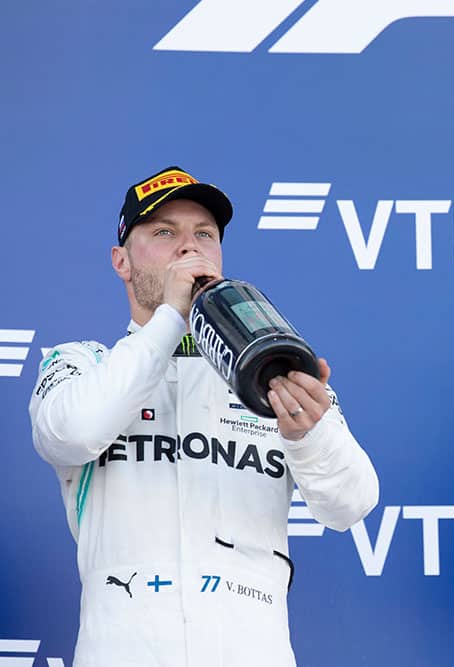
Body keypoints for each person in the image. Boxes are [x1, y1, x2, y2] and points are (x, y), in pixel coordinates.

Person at [29, 166, 379, 667]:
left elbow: (352, 505)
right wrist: (172, 316)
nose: (187, 248)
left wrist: (309, 437)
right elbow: (71, 433)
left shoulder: (272, 372)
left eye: (204, 235)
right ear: (121, 261)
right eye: (164, 232)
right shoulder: (82, 363)